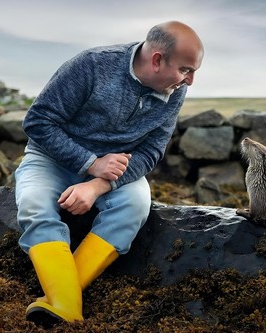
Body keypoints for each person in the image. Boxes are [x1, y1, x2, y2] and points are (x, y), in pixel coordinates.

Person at [14, 21, 204, 326]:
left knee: (136, 205)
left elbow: (152, 152)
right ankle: (69, 307)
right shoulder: (90, 65)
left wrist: (99, 184)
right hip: (50, 160)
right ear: (157, 60)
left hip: (115, 171)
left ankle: (62, 299)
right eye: (185, 70)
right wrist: (91, 163)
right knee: (34, 204)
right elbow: (37, 122)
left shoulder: (174, 90)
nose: (190, 81)